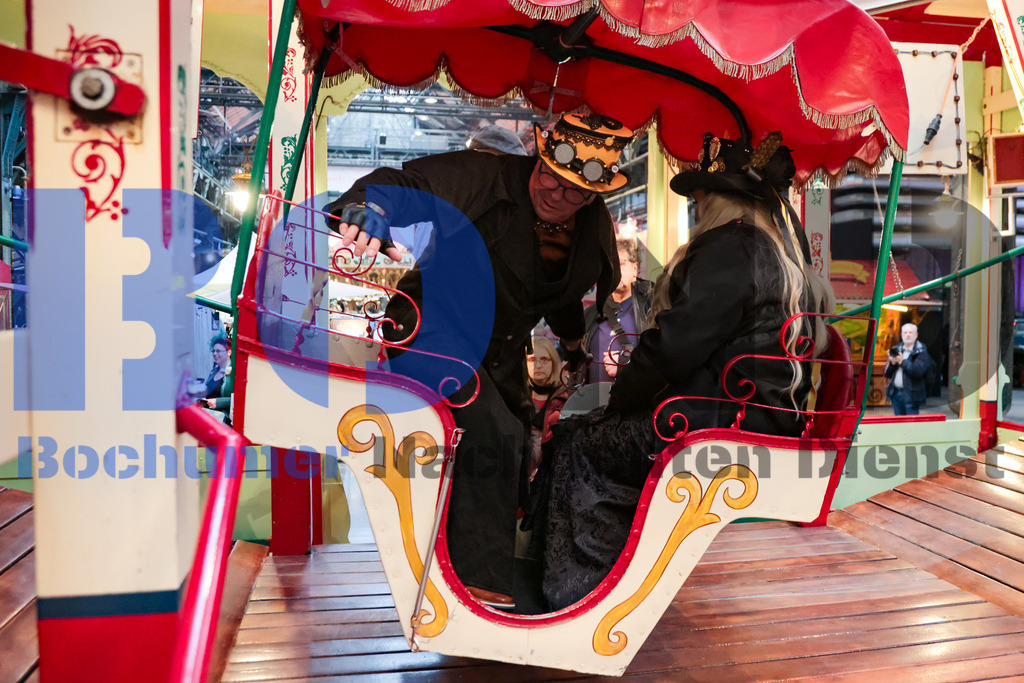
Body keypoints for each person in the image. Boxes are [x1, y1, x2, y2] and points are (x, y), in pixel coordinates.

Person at [326, 113, 635, 608]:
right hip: (428, 327)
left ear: (594, 195)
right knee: (497, 433)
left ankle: (468, 557)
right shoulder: (485, 176)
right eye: (549, 178)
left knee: (525, 438)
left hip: (498, 346)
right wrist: (369, 207)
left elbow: (558, 293)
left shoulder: (590, 228)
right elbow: (409, 185)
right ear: (536, 159)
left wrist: (574, 346)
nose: (556, 196)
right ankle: (481, 592)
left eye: (573, 192)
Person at [535, 131, 836, 611]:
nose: (696, 210)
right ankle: (607, 581)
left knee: (579, 441)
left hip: (724, 428)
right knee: (590, 431)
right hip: (761, 419)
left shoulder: (733, 246)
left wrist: (619, 400)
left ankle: (580, 595)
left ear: (719, 200)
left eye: (700, 198)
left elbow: (673, 347)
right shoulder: (780, 252)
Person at [583, 236, 653, 382]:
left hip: (635, 400)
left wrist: (625, 362)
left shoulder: (651, 308)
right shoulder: (589, 315)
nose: (614, 270)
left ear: (635, 269)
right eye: (608, 265)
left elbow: (662, 356)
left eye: (620, 263)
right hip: (593, 401)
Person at [526, 336, 570, 481]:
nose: (538, 365)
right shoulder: (516, 395)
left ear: (553, 362)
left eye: (544, 359)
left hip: (553, 474)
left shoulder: (565, 397)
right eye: (532, 360)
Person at [884, 322, 933, 415]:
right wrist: (892, 363)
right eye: (905, 332)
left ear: (916, 335)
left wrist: (902, 361)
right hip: (896, 393)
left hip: (912, 395)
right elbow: (887, 374)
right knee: (898, 424)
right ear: (901, 335)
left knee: (911, 425)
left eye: (910, 332)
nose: (908, 335)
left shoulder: (921, 351)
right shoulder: (896, 349)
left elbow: (918, 371)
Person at [198, 335, 232, 423]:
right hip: (208, 414)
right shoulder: (214, 370)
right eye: (213, 351)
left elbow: (239, 400)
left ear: (229, 353)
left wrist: (218, 402)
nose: (214, 354)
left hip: (222, 419)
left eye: (218, 351)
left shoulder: (235, 373)